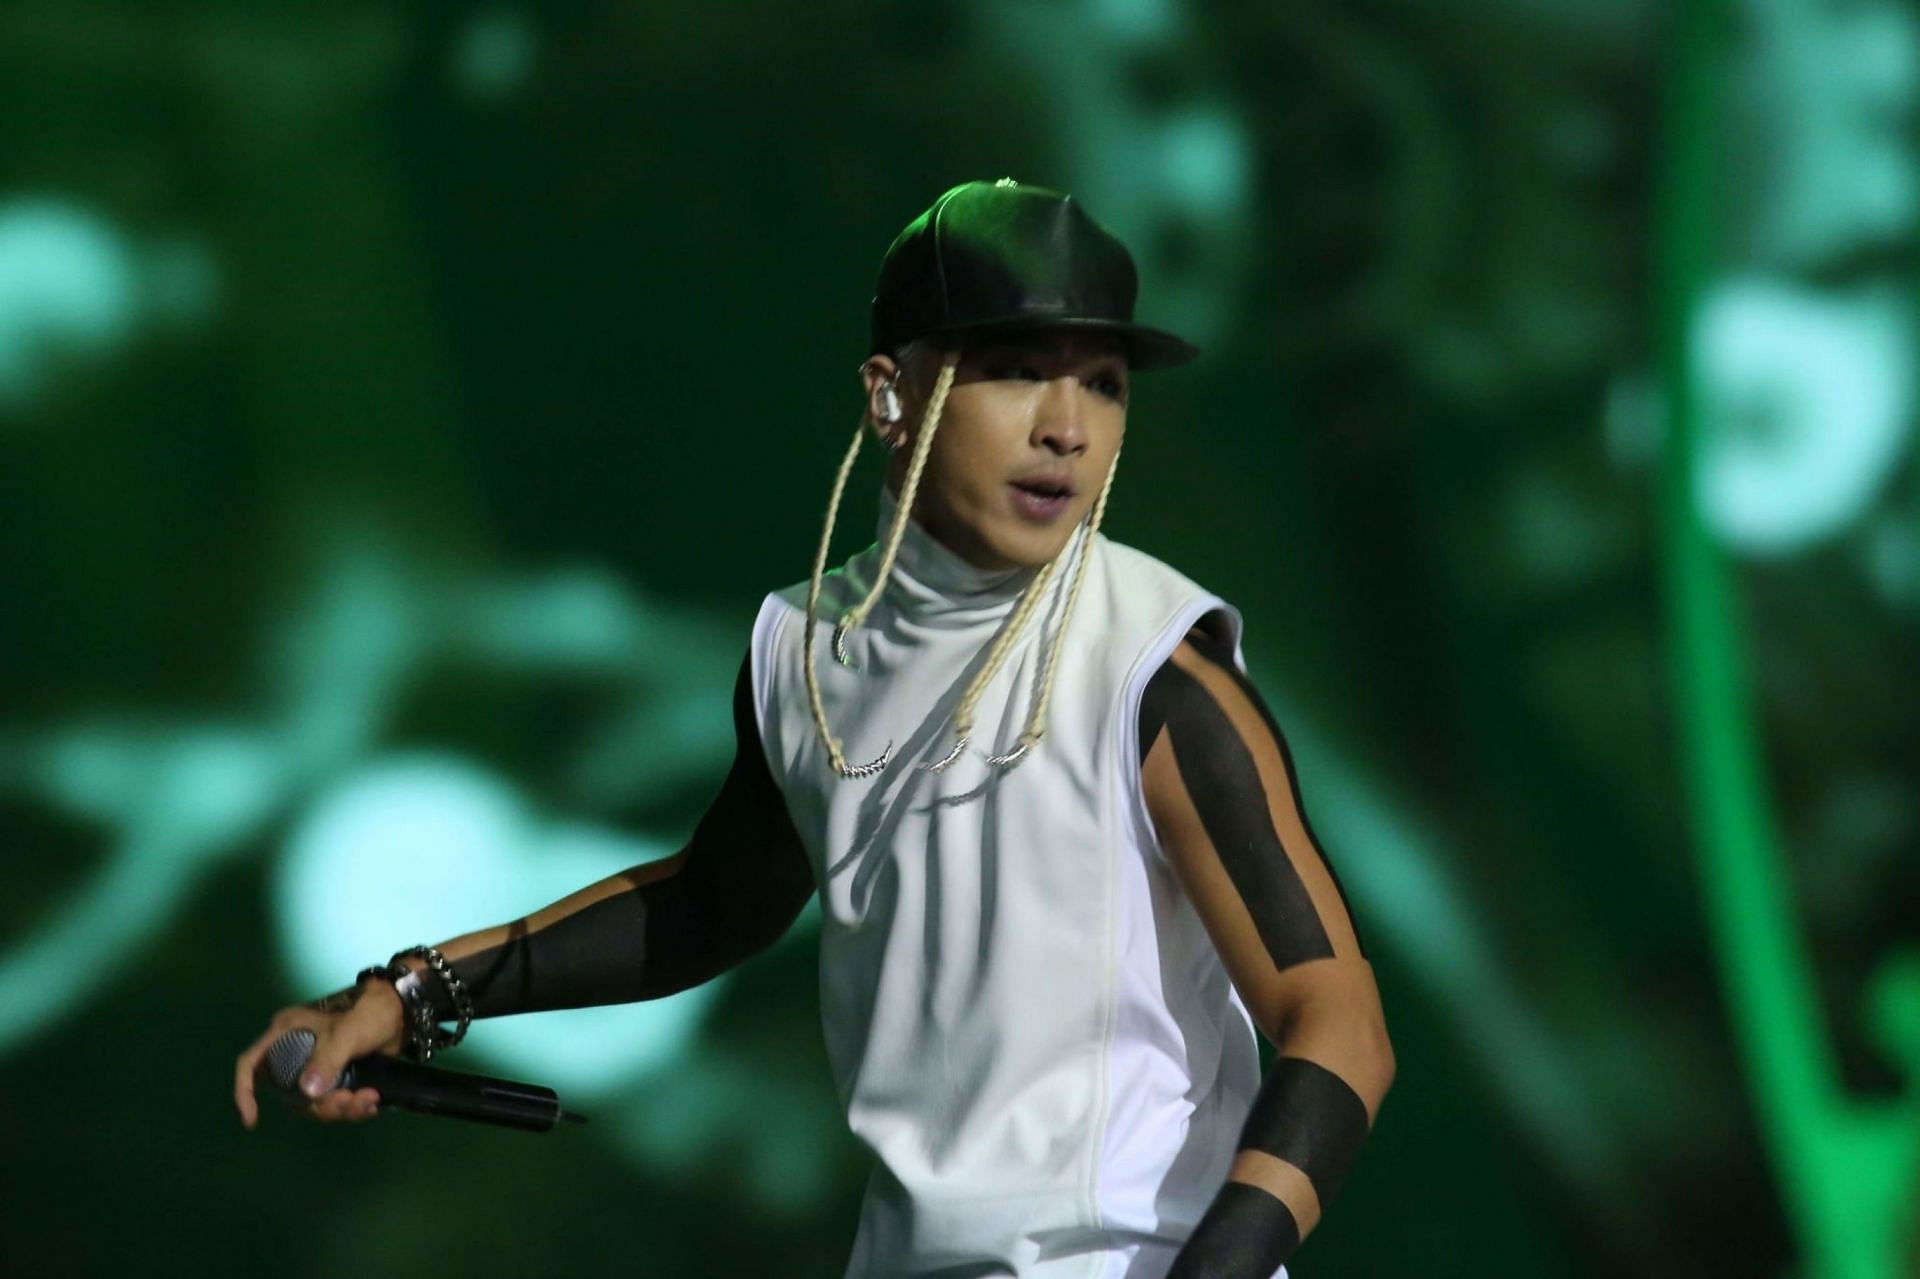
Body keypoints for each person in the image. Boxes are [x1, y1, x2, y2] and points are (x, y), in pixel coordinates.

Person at [233, 178, 1394, 1279]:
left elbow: (1338, 1025)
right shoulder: (803, 646)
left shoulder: (1152, 668)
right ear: (890, 394)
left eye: (1102, 382)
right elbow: (711, 904)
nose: (1067, 427)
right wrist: (411, 994)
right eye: (1017, 370)